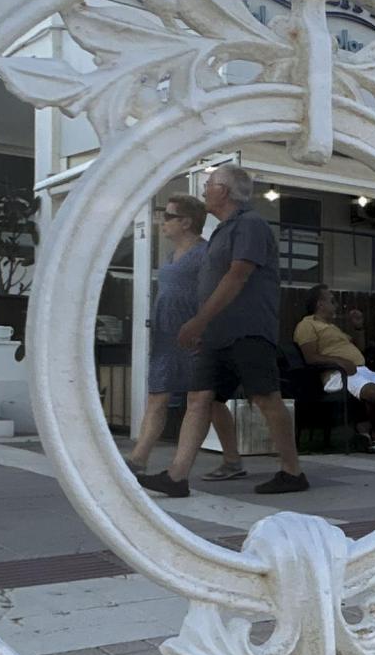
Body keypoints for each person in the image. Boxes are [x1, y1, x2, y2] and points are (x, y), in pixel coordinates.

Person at [139, 164, 305, 497]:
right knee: (199, 398)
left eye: (209, 185)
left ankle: (292, 471)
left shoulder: (250, 225)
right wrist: (205, 325)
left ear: (224, 191)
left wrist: (198, 320)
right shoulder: (223, 230)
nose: (203, 191)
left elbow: (237, 275)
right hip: (217, 334)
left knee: (265, 398)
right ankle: (177, 477)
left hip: (247, 330)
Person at [124, 194, 243, 480]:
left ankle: (232, 460)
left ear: (186, 222)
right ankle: (138, 458)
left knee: (208, 402)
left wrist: (206, 328)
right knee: (158, 396)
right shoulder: (169, 256)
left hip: (195, 337)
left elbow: (217, 294)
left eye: (168, 216)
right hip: (166, 338)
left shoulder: (205, 255)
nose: (162, 222)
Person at [295, 284, 375, 452]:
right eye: (332, 301)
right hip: (337, 374)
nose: (336, 305)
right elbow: (310, 357)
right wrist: (338, 361)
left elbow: (360, 348)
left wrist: (358, 327)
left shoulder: (332, 327)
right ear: (320, 304)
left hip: (360, 370)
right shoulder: (307, 325)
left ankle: (368, 424)